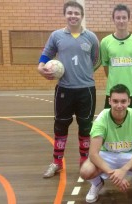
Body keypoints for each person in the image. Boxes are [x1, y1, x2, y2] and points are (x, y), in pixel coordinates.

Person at [37, 0, 100, 178]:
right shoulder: (56, 36)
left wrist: (83, 73)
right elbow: (46, 54)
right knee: (60, 125)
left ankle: (84, 161)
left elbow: (96, 59)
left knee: (86, 126)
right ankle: (57, 162)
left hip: (86, 89)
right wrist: (41, 68)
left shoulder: (91, 37)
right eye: (70, 13)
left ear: (82, 16)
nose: (73, 16)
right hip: (64, 88)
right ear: (65, 15)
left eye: (76, 13)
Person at [80, 84, 132, 203]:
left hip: (130, 153)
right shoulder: (101, 119)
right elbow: (93, 154)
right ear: (109, 101)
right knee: (85, 171)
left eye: (123, 101)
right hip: (107, 154)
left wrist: (124, 170)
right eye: (115, 101)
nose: (119, 105)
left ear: (129, 101)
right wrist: (114, 175)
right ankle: (97, 183)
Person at [101, 4, 132, 116]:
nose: (121, 21)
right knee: (111, 123)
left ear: (128, 19)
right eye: (118, 18)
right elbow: (106, 67)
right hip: (112, 91)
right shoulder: (105, 42)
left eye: (124, 17)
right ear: (113, 19)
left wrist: (131, 76)